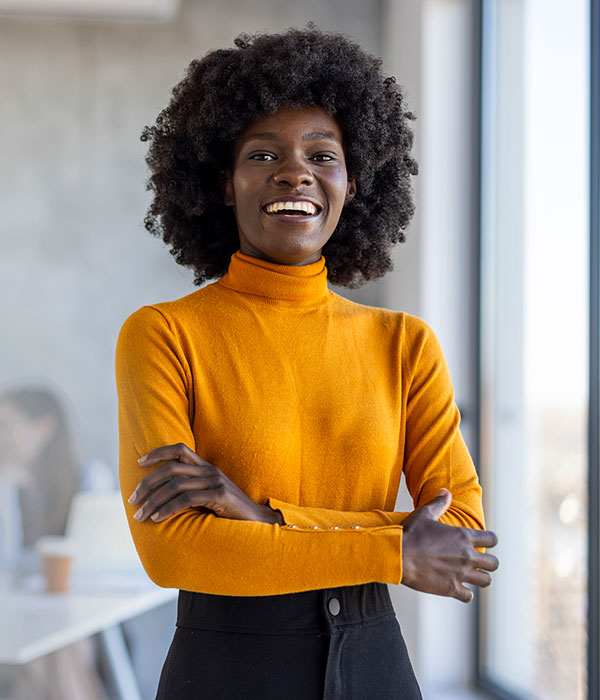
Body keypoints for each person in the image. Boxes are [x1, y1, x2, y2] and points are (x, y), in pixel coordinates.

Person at [116, 25, 499, 699]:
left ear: (354, 186)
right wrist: (391, 548)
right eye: (263, 154)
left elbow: (463, 536)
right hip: (222, 671)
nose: (295, 171)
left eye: (323, 154)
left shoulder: (404, 344)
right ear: (223, 185)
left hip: (377, 666)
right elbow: (172, 550)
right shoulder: (165, 334)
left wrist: (264, 522)